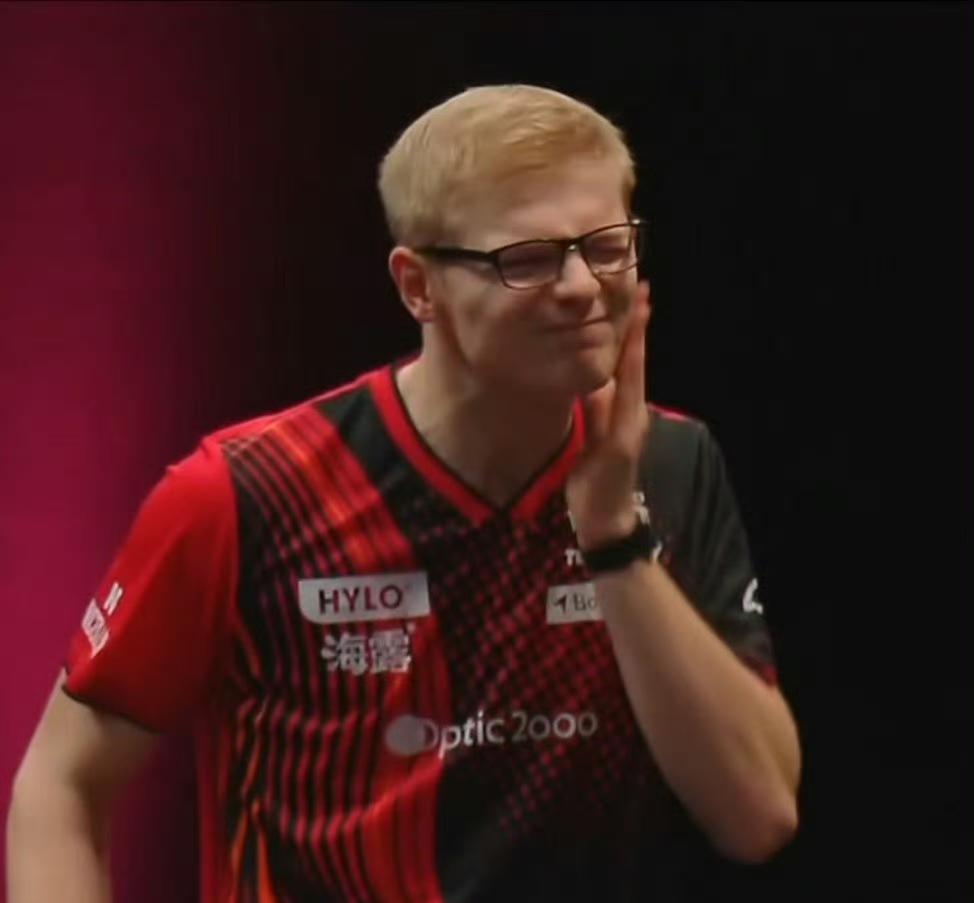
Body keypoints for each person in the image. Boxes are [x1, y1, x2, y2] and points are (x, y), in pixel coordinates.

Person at [7, 84, 801, 902]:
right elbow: (61, 785)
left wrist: (614, 541)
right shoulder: (244, 491)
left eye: (606, 246)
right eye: (528, 259)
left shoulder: (672, 464)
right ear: (418, 285)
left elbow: (758, 815)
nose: (581, 286)